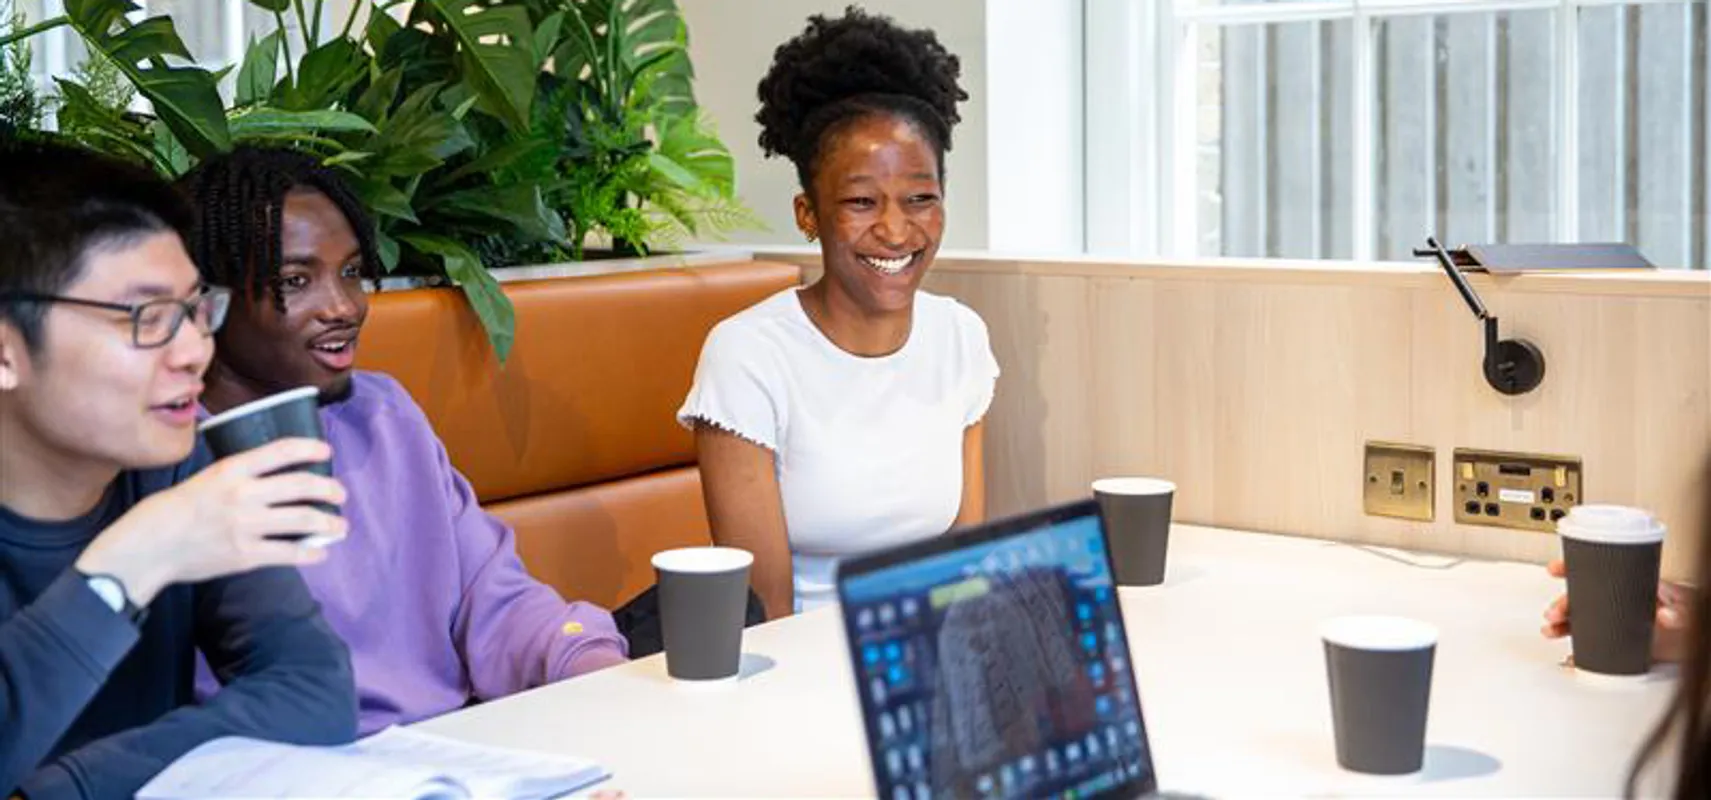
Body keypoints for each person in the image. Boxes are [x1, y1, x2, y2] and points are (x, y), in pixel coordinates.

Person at [178, 146, 628, 735]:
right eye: (296, 281)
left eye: (351, 272)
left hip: (450, 751)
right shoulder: (162, 457)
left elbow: (492, 598)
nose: (343, 307)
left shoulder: (384, 414)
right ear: (208, 302)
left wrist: (591, 664)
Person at [0, 141, 356, 797]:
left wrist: (60, 790)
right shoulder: (168, 496)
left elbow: (313, 691)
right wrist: (134, 559)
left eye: (195, 310)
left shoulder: (175, 465)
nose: (195, 350)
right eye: (149, 317)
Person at [678, 7, 996, 617]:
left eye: (920, 198)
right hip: (802, 658)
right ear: (808, 214)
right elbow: (764, 615)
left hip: (928, 654)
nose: (896, 230)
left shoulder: (960, 336)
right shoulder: (748, 355)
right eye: (861, 202)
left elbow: (964, 571)